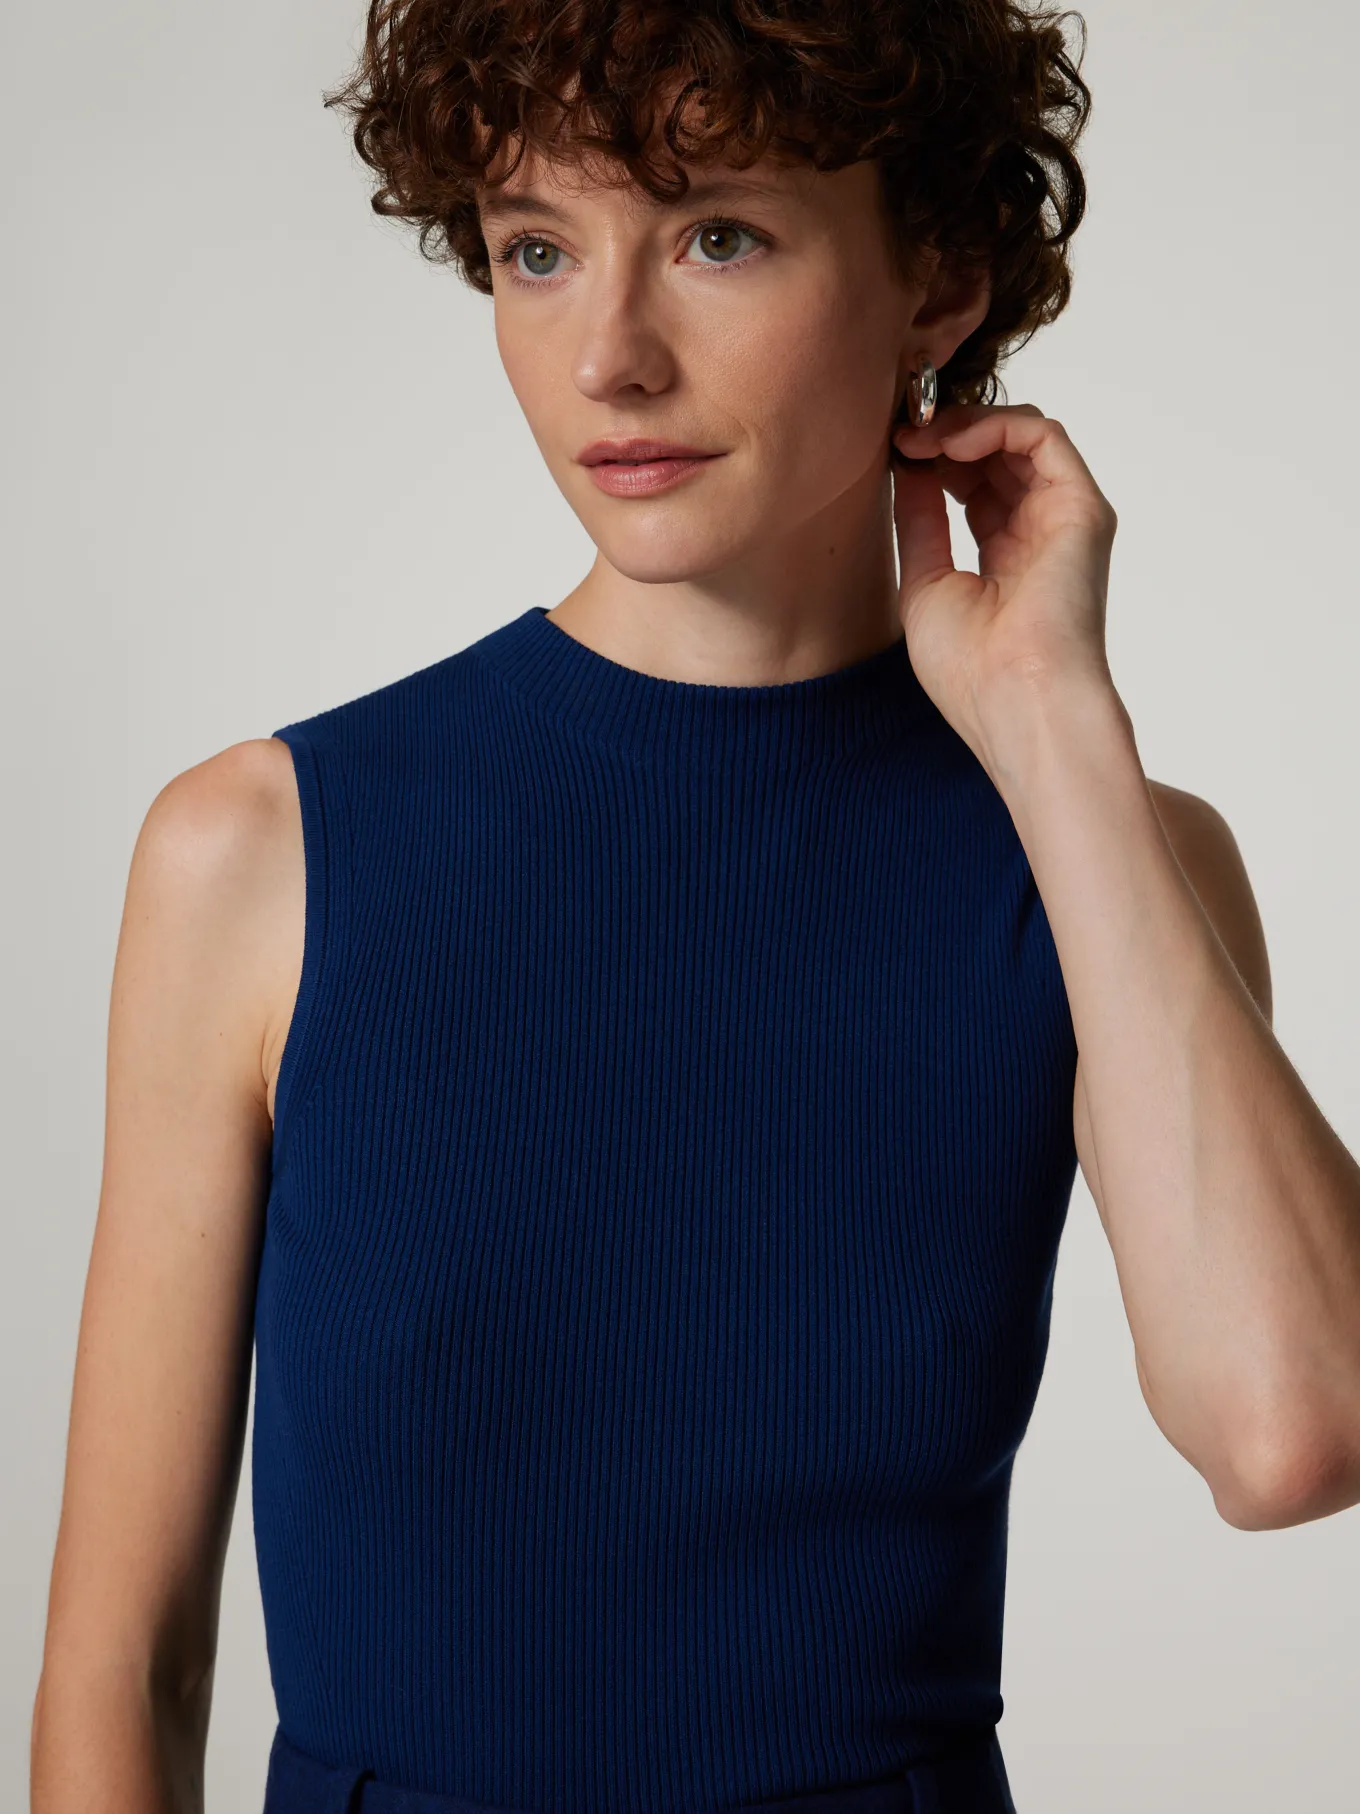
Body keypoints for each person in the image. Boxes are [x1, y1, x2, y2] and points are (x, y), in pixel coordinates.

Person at [30, 0, 1360, 1810]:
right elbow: (123, 1663)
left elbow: (1292, 1434)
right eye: (537, 250)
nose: (610, 358)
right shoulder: (261, 851)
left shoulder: (1109, 856)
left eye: (717, 236)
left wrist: (1057, 729)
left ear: (941, 280)